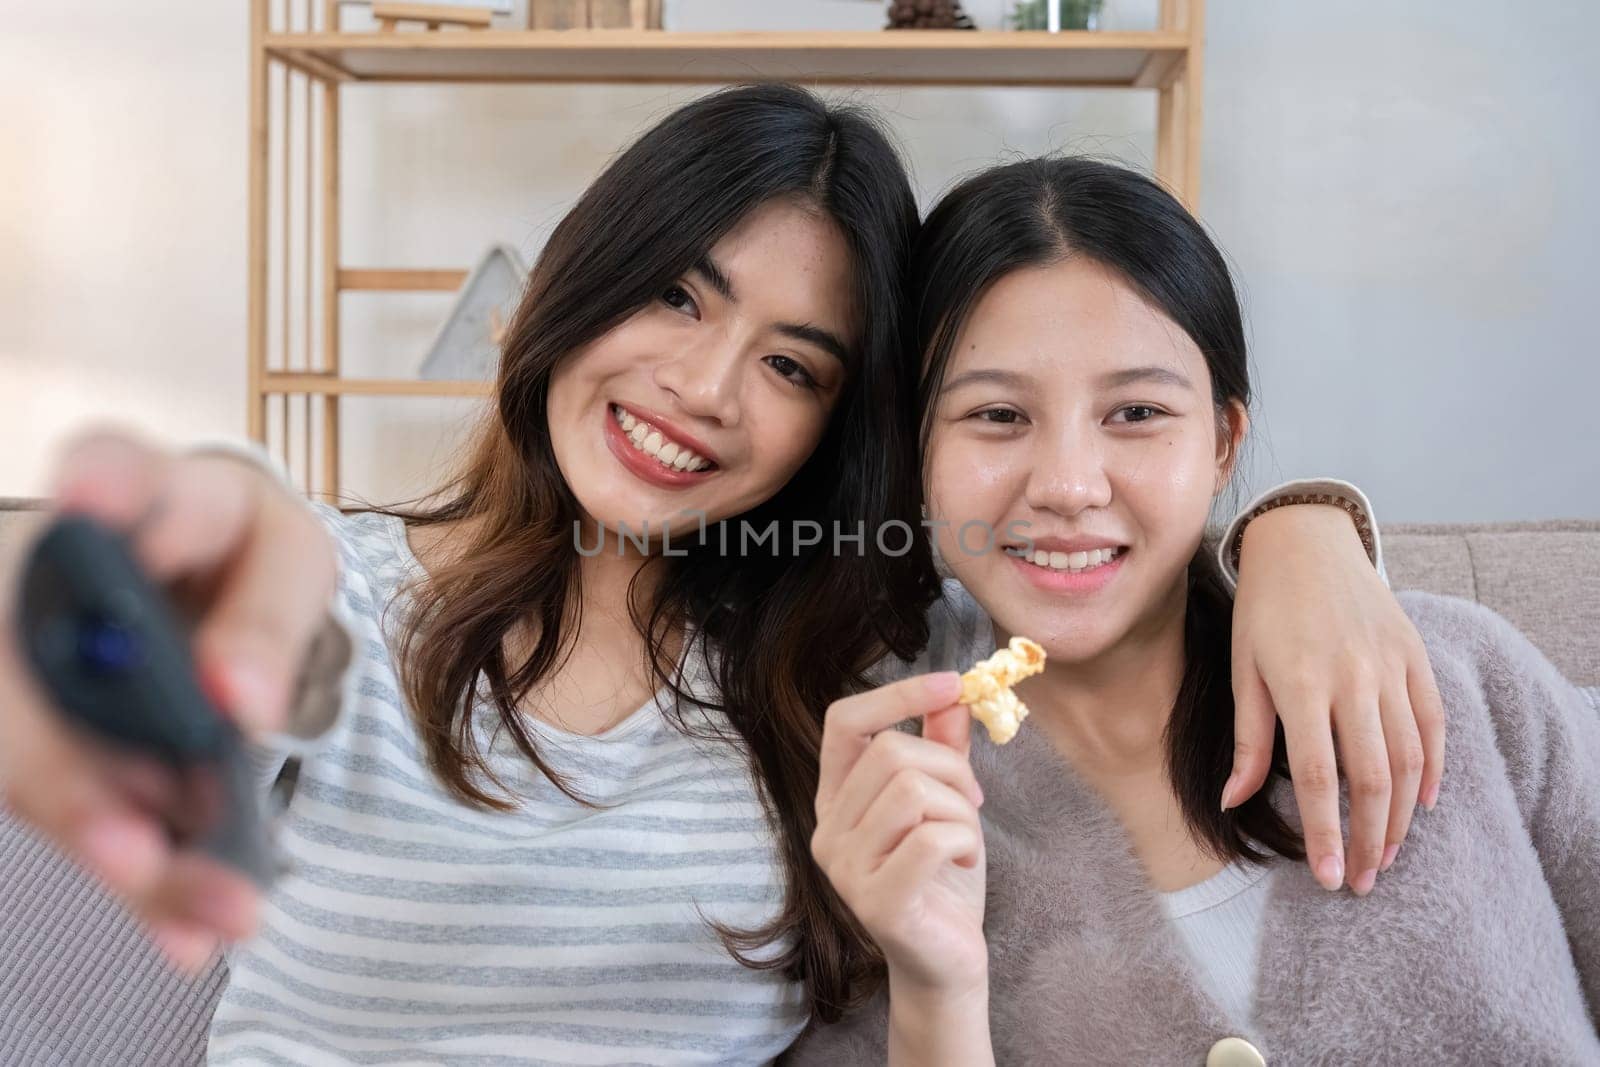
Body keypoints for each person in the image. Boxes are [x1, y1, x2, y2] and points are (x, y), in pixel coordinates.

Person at [1, 89, 1439, 1064]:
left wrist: (1302, 531)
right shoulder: (333, 592)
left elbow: (1095, 542)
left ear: (837, 419)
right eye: (678, 292)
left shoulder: (872, 645)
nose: (701, 387)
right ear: (582, 275)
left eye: (791, 362)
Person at [796, 156, 1600, 1065]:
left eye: (1136, 411)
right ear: (915, 452)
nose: (1067, 485)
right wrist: (935, 988)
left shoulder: (1455, 674)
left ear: (1223, 442)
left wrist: (1304, 524)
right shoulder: (879, 791)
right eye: (997, 416)